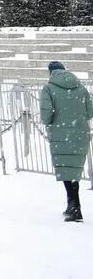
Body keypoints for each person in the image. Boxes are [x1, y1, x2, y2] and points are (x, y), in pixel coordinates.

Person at [41, 60, 90, 223]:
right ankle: (73, 205)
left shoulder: (48, 88)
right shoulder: (81, 88)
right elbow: (90, 112)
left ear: (51, 72)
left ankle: (75, 208)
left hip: (60, 134)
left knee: (66, 170)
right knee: (74, 169)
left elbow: (46, 116)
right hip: (80, 133)